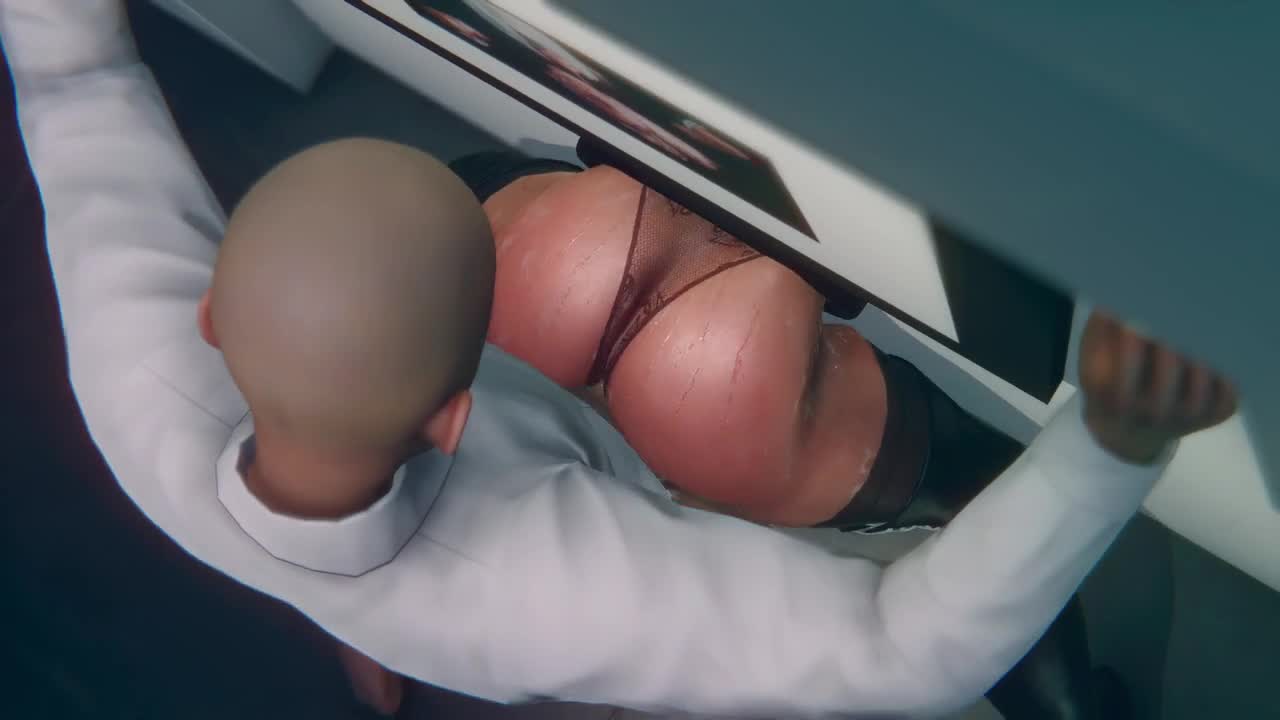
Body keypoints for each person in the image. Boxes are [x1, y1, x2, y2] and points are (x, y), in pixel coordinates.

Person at [3, 3, 1237, 720]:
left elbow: (71, 78)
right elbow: (896, 650)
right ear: (449, 414)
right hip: (650, 596)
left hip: (434, 530)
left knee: (615, 305)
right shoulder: (535, 584)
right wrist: (1106, 445)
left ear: (212, 314)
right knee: (745, 403)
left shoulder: (134, 374)